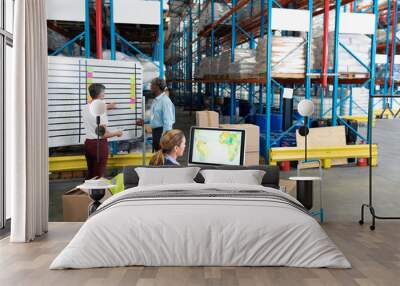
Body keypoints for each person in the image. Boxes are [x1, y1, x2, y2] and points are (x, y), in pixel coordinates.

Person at [82, 83, 123, 179]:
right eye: (104, 93)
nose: (105, 95)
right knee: (98, 176)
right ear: (100, 95)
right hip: (99, 146)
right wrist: (117, 133)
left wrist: (108, 106)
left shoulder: (85, 107)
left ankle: (88, 193)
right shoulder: (101, 111)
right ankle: (97, 194)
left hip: (88, 144)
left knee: (91, 174)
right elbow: (103, 134)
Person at [138, 78, 175, 152]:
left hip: (161, 133)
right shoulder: (156, 100)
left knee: (163, 157)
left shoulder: (165, 101)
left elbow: (168, 123)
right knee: (158, 156)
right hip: (155, 132)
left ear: (157, 87)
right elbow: (156, 117)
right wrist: (145, 121)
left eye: (152, 85)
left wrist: (164, 139)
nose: (150, 87)